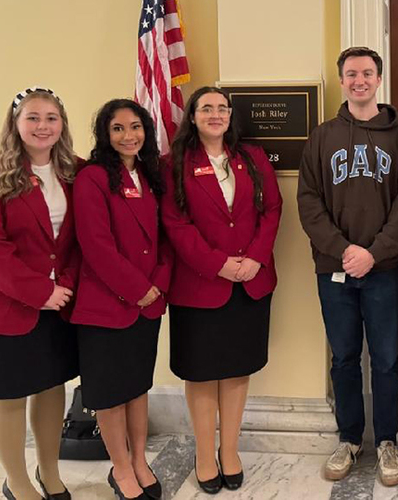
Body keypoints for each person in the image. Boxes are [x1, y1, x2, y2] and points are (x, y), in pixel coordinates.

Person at [297, 46, 398, 486]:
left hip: (384, 270)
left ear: (378, 78)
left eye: (367, 73)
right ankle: (350, 438)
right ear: (342, 80)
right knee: (345, 357)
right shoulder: (322, 136)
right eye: (351, 74)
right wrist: (343, 249)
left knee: (386, 359)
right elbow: (308, 201)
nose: (359, 81)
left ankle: (387, 440)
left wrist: (375, 252)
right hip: (333, 269)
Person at [161, 86, 283, 494]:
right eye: (206, 108)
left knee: (235, 369)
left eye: (222, 108)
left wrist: (254, 259)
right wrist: (218, 264)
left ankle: (229, 451)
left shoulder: (252, 157)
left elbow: (272, 210)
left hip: (250, 282)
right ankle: (203, 453)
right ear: (192, 116)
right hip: (199, 286)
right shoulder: (174, 163)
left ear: (231, 115)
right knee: (201, 372)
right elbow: (176, 224)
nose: (216, 114)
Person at [0, 87, 80, 500]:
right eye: (33, 117)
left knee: (51, 389)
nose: (42, 126)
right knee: (10, 395)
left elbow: (80, 240)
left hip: (60, 303)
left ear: (62, 124)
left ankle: (49, 472)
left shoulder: (74, 171)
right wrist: (39, 292)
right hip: (6, 305)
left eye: (51, 117)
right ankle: (16, 481)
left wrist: (62, 284)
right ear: (15, 124)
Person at [71, 99, 170, 500]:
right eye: (118, 129)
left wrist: (157, 285)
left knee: (136, 386)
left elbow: (165, 238)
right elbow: (96, 245)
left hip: (148, 304)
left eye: (135, 127)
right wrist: (137, 288)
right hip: (107, 305)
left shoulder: (150, 176)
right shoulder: (92, 178)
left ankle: (140, 459)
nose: (128, 136)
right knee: (111, 393)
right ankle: (121, 467)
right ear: (105, 135)